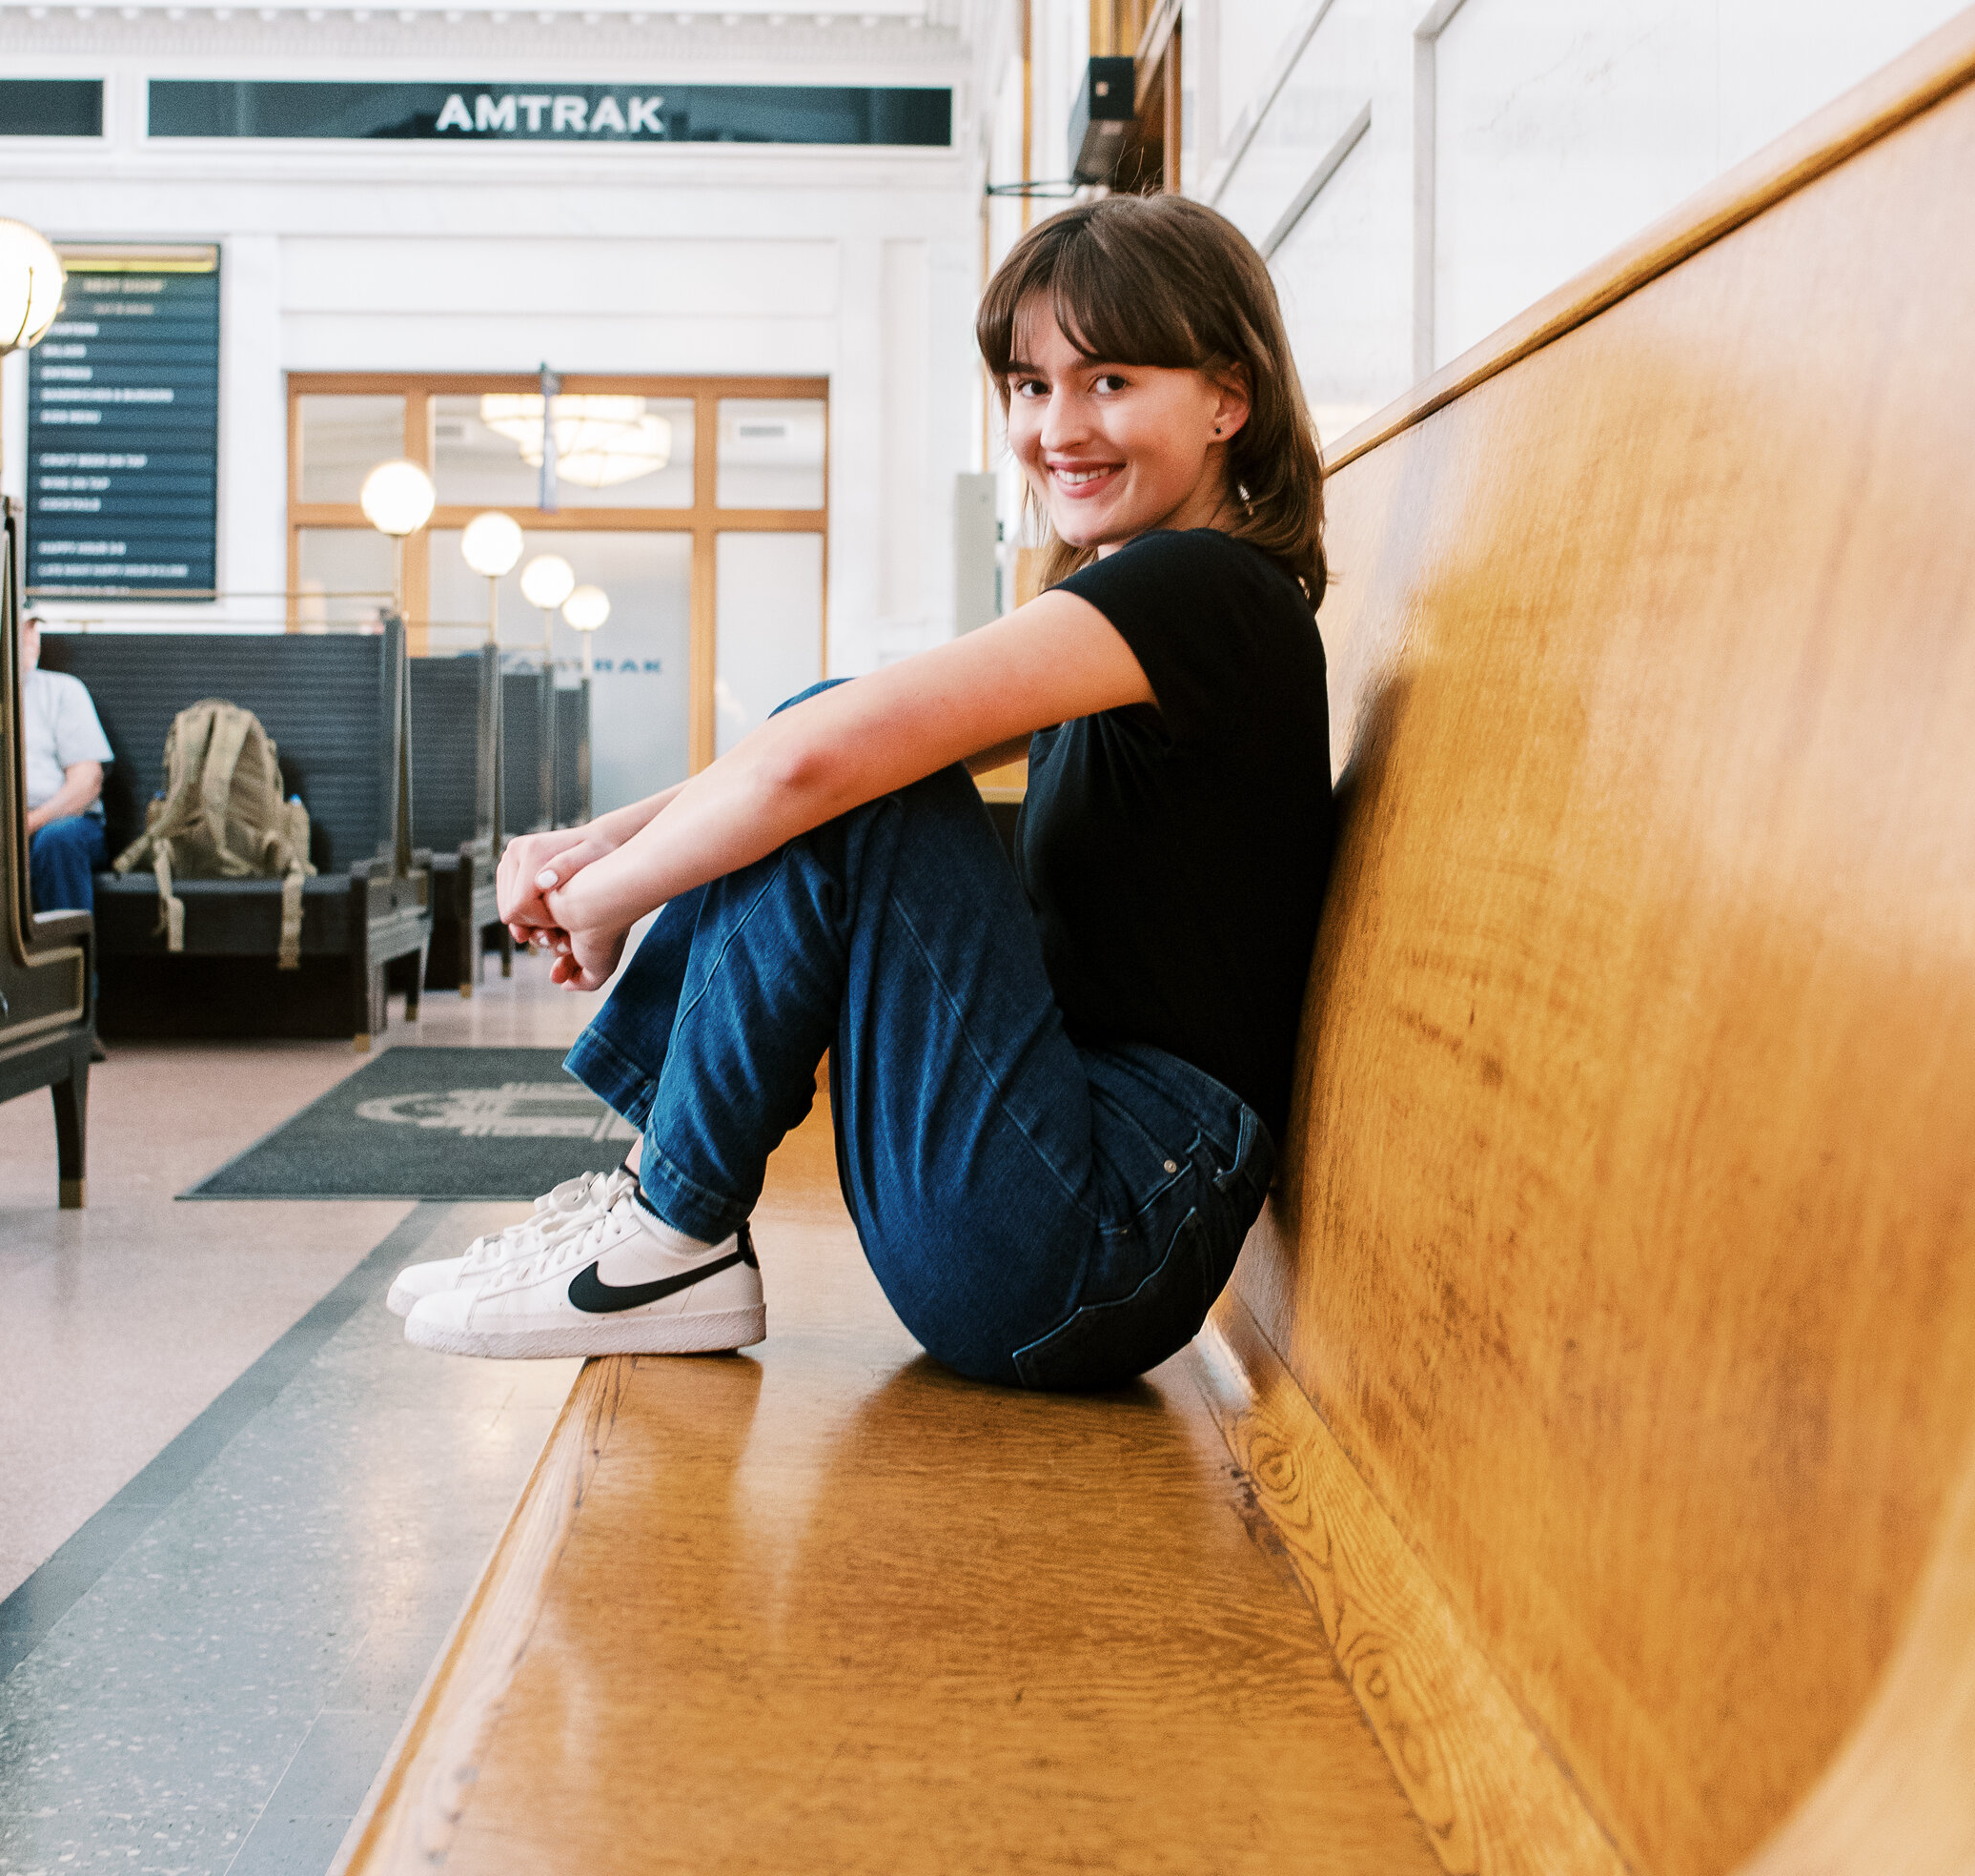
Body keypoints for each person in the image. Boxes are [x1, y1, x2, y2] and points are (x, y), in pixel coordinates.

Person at [396, 195, 1336, 1395]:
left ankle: (669, 1225)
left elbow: (824, 761)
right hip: (1062, 1205)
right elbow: (816, 747)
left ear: (1227, 398)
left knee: (861, 767)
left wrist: (607, 895)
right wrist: (599, 842)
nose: (1057, 426)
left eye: (1109, 381)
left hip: (1100, 1232)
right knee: (851, 747)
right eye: (1029, 385)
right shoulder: (1151, 602)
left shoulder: (1207, 592)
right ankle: (658, 1206)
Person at [19, 608, 112, 919]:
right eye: (22, 628)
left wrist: (30, 823)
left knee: (56, 839)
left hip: (65, 822)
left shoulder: (62, 690)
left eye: (33, 629)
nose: (31, 639)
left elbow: (87, 782)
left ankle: (76, 963)